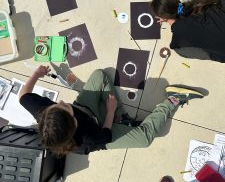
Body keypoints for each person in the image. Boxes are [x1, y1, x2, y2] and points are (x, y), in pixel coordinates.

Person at [19, 65, 204, 155]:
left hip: (87, 107)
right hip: (101, 128)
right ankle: (173, 99)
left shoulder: (43, 112)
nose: (61, 101)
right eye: (66, 107)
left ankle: (122, 118)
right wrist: (109, 113)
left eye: (57, 105)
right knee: (145, 139)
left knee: (100, 75)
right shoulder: (86, 141)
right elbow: (106, 135)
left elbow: (23, 96)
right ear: (74, 125)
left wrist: (36, 73)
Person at [151, 0, 225, 63]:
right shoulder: (198, 3)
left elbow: (174, 45)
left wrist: (166, 19)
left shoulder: (179, 32)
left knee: (180, 50)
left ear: (163, 17)